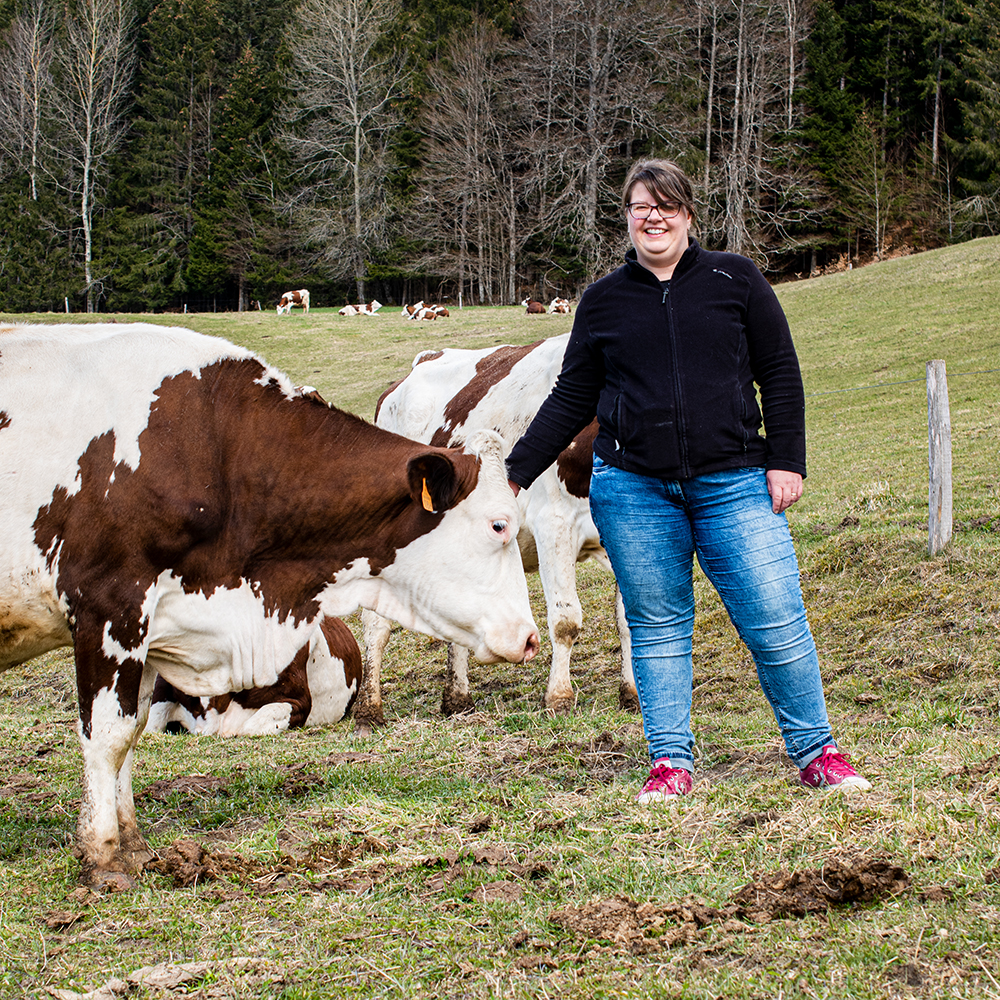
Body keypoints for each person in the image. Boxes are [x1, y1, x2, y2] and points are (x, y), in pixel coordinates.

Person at [505, 159, 871, 803]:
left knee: (774, 616)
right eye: (642, 206)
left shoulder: (738, 280)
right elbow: (571, 397)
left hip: (735, 483)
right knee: (656, 624)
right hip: (634, 490)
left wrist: (787, 459)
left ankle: (817, 752)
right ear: (627, 217)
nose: (654, 216)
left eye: (666, 205)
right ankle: (671, 763)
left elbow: (780, 372)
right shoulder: (603, 301)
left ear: (688, 214)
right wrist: (511, 475)